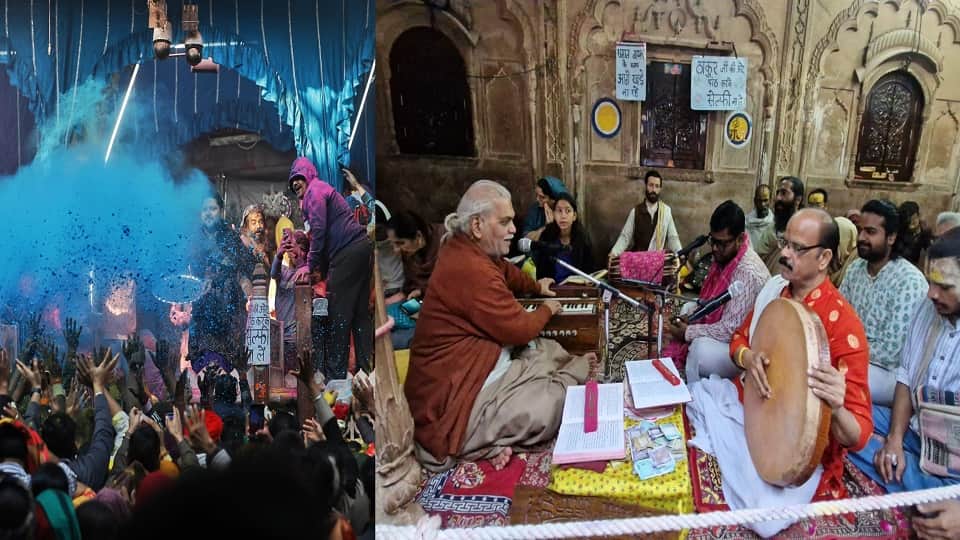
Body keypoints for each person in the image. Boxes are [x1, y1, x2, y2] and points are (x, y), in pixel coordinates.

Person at [687, 208, 872, 537]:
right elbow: (739, 339)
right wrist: (749, 358)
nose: (785, 253)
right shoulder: (777, 291)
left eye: (797, 248)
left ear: (824, 258)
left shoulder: (843, 325)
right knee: (698, 395)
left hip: (794, 445)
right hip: (754, 406)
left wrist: (837, 406)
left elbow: (859, 435)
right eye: (785, 243)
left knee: (765, 515)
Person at [405, 180, 592, 472]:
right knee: (544, 410)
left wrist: (536, 287)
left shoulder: (468, 249)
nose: (514, 230)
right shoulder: (471, 267)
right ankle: (479, 441)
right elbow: (520, 329)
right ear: (477, 226)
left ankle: (528, 397)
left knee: (550, 349)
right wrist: (546, 309)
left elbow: (506, 271)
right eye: (504, 222)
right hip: (453, 399)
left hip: (478, 366)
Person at [849, 228, 960, 496]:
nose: (931, 293)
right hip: (913, 427)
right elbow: (906, 376)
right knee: (841, 417)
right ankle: (911, 478)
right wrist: (895, 439)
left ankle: (929, 490)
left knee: (946, 491)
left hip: (953, 454)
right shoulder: (927, 307)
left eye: (945, 286)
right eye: (930, 282)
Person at [663, 201, 769, 382]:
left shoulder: (746, 273)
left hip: (746, 349)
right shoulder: (727, 257)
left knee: (698, 350)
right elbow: (711, 301)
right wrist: (692, 318)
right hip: (731, 329)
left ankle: (694, 392)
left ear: (740, 239)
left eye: (722, 243)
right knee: (688, 308)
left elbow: (730, 330)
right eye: (713, 241)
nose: (714, 248)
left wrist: (688, 332)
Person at [288, 157, 373, 378]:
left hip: (347, 252)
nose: (295, 183)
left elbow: (319, 231)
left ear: (309, 175)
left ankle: (337, 378)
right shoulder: (321, 190)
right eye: (292, 180)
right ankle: (367, 371)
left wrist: (309, 265)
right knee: (360, 314)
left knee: (338, 316)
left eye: (299, 177)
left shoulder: (314, 192)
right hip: (361, 248)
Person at [839, 200, 928, 406]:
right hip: (850, 357)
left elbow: (891, 353)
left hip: (891, 374)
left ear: (891, 237)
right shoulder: (855, 269)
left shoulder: (908, 281)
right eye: (860, 230)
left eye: (870, 232)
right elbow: (839, 317)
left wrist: (846, 348)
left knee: (834, 382)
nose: (861, 237)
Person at [190, 194, 254, 354]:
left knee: (230, 357)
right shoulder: (194, 240)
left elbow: (243, 271)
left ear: (221, 211)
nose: (208, 213)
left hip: (229, 307)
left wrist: (249, 295)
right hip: (202, 310)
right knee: (203, 359)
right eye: (205, 209)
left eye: (213, 208)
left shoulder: (231, 237)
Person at [609, 170, 682, 257]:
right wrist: (614, 253)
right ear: (646, 186)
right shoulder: (636, 211)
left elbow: (673, 238)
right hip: (638, 260)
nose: (653, 190)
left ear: (660, 189)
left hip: (656, 260)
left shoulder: (666, 211)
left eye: (657, 186)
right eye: (651, 185)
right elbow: (625, 237)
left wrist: (680, 253)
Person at [532, 193, 596, 283]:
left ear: (574, 216)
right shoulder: (546, 235)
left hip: (577, 287)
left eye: (568, 211)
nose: (563, 216)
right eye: (559, 211)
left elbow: (590, 270)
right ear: (554, 214)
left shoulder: (582, 237)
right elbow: (540, 271)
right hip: (552, 287)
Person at [385, 210, 445, 301]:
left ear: (418, 235)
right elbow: (412, 282)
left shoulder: (445, 241)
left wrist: (424, 290)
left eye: (400, 243)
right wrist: (419, 291)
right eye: (392, 244)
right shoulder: (410, 254)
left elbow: (451, 280)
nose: (396, 250)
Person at [753, 176, 804, 273]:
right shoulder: (772, 227)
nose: (778, 198)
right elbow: (757, 259)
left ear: (798, 199)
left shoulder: (806, 231)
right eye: (778, 193)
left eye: (784, 193)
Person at [899, 201, 933, 266]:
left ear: (918, 215)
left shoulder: (924, 231)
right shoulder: (900, 231)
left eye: (914, 218)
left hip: (913, 265)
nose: (912, 223)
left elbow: (930, 249)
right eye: (909, 220)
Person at [745, 184, 773, 250]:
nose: (762, 204)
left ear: (770, 201)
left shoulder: (774, 224)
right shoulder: (745, 222)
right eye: (759, 200)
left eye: (765, 200)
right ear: (755, 201)